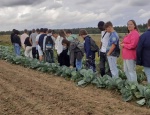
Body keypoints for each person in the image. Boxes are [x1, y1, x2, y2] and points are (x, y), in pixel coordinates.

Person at [136, 19, 150, 83]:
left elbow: (139, 49)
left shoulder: (144, 36)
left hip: (147, 61)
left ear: (148, 25)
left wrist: (139, 61)